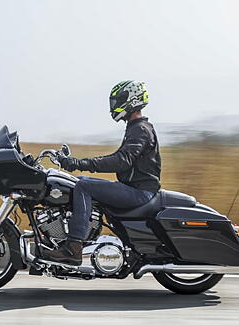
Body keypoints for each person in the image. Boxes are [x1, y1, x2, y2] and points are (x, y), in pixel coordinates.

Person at [42, 80, 162, 265]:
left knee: (83, 186)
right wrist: (76, 165)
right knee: (77, 182)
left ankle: (73, 247)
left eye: (118, 100)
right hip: (133, 188)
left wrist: (77, 163)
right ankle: (77, 234)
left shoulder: (140, 130)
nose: (114, 106)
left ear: (131, 100)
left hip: (139, 192)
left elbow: (121, 161)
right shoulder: (137, 128)